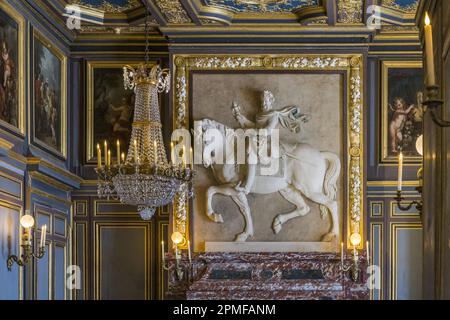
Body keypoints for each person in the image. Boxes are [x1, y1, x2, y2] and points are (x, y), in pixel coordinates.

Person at [231, 90, 309, 194]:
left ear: (271, 101)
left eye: (266, 101)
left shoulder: (274, 115)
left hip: (268, 140)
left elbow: (267, 130)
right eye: (262, 101)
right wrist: (242, 118)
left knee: (251, 154)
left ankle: (247, 187)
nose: (263, 104)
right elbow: (255, 126)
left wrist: (251, 131)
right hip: (258, 138)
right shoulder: (260, 114)